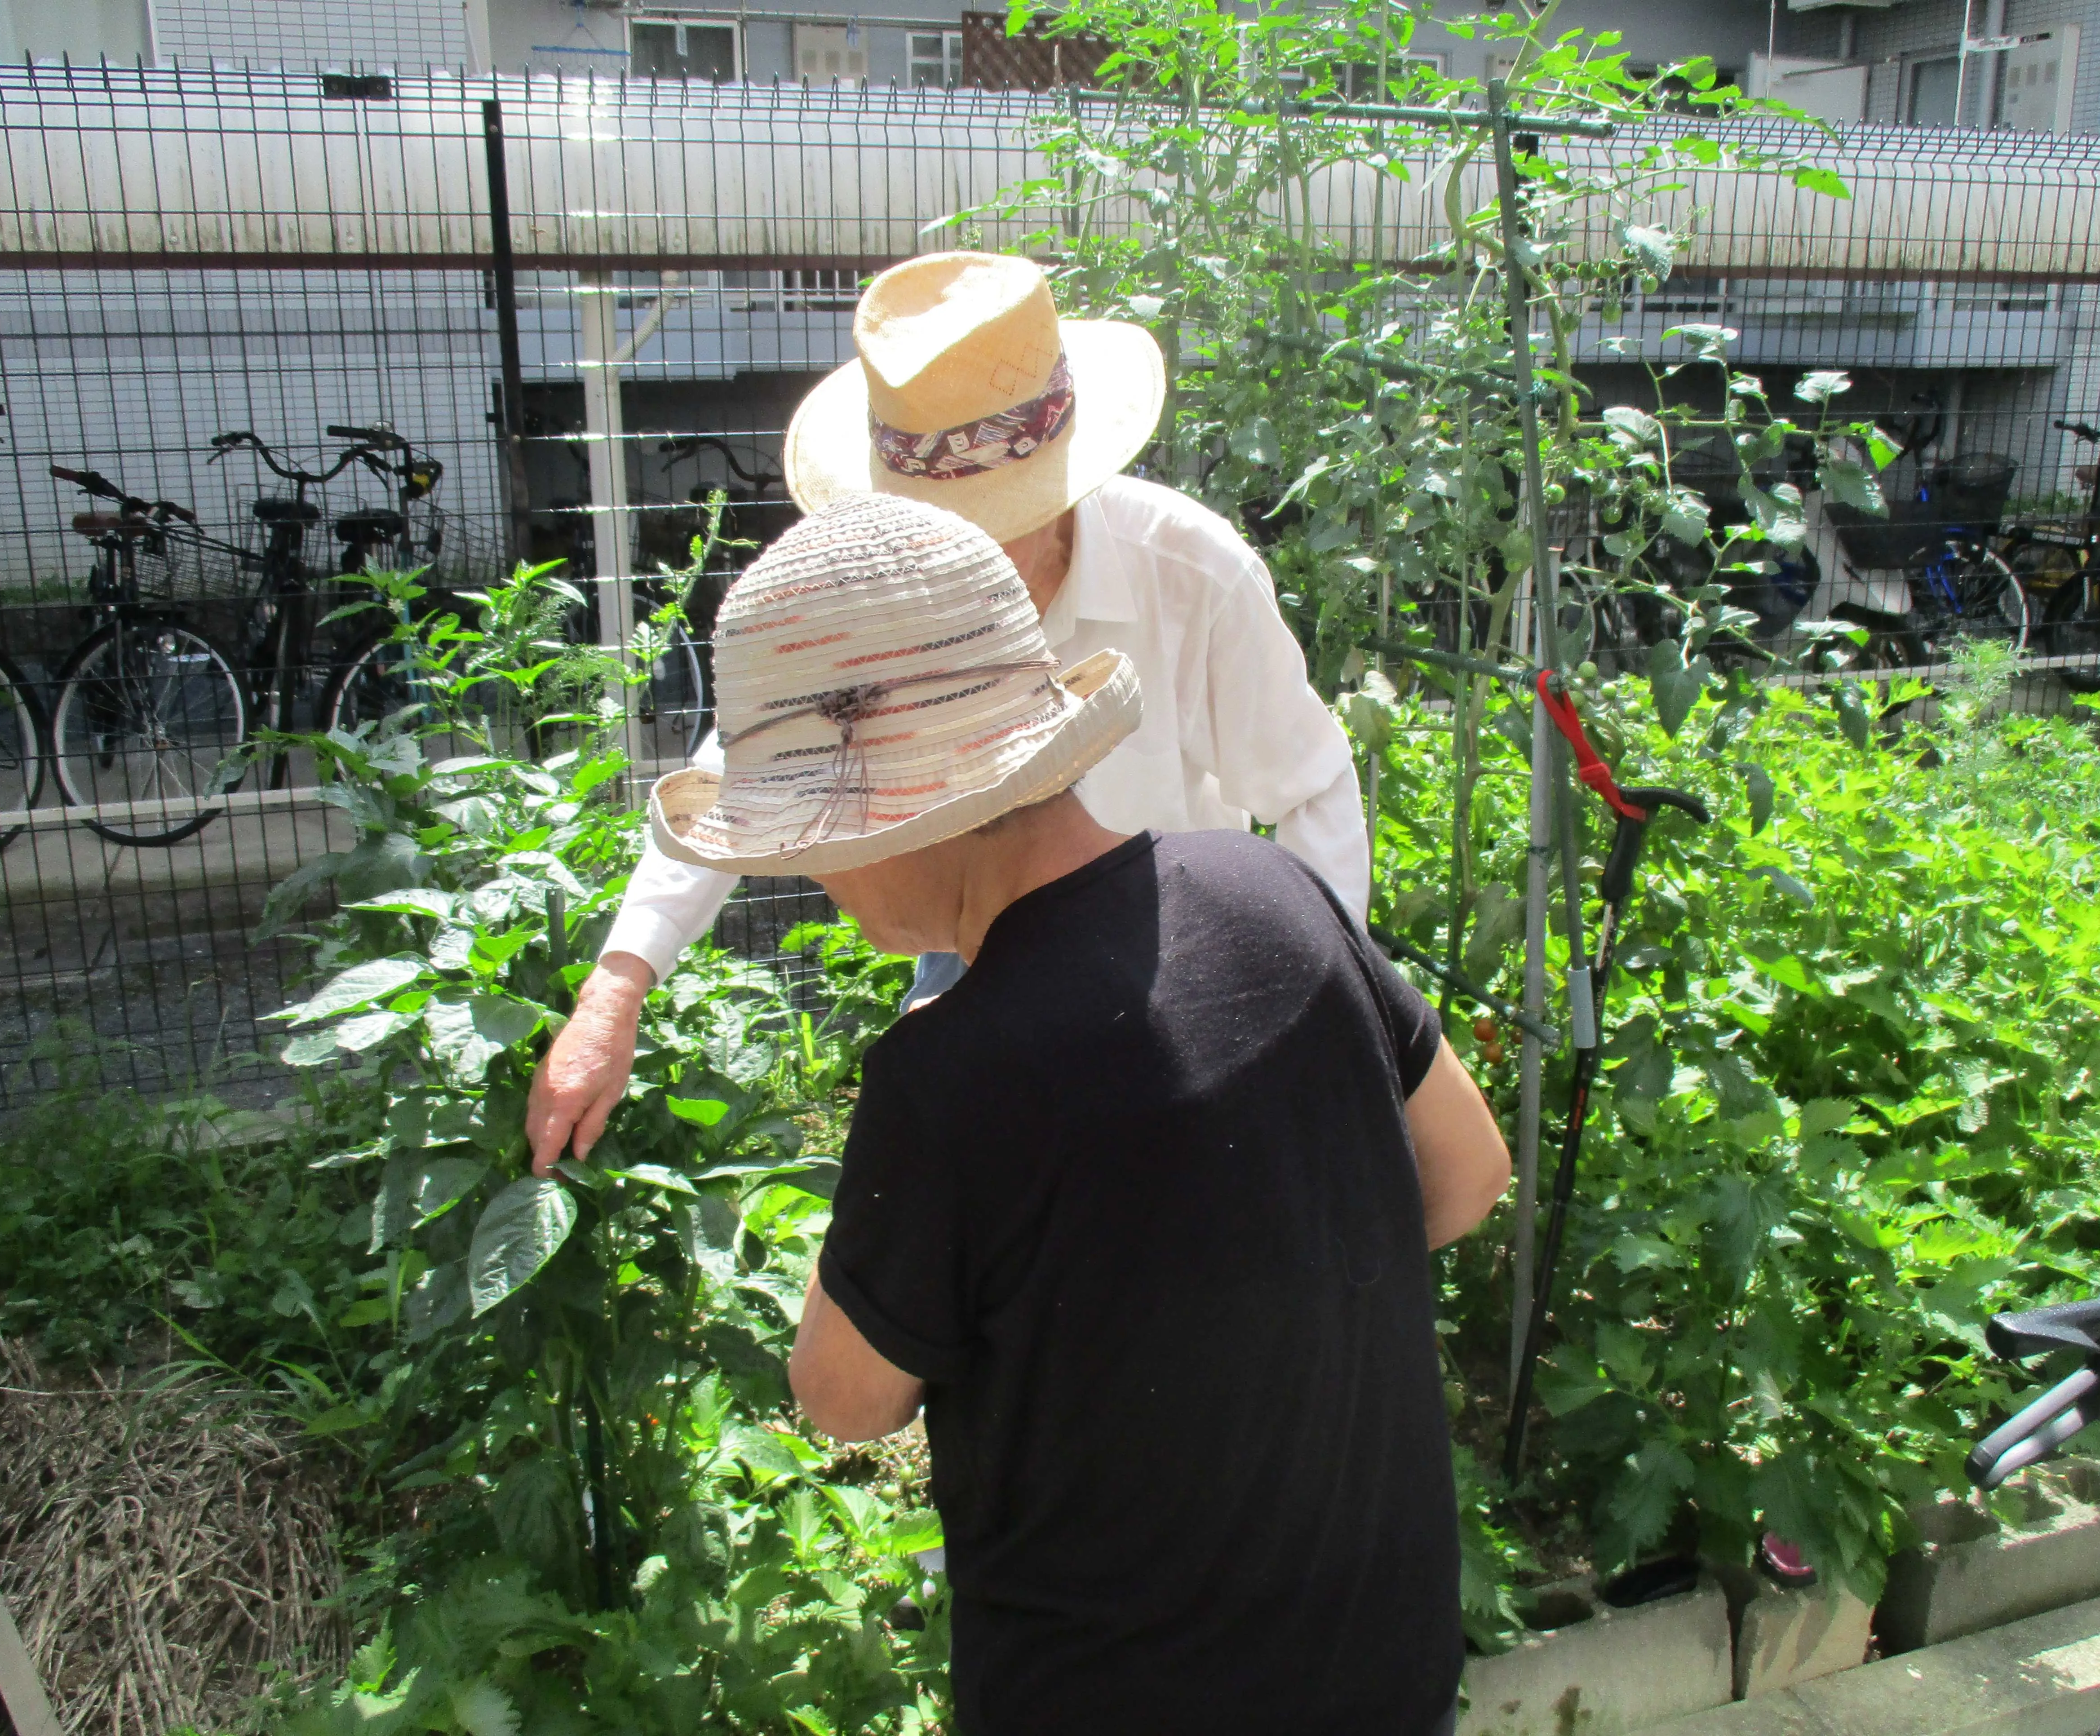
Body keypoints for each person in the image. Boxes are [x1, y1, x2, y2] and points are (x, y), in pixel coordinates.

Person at [639, 492, 1509, 1735]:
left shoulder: (952, 1079)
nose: (818, 887)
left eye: (809, 843)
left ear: (892, 813)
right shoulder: (1278, 895)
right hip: (1386, 1674)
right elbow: (1469, 1171)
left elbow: (844, 1396)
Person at [527, 249, 1366, 1174]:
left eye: (989, 517)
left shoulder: (1191, 573)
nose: (953, 552)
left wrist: (1313, 1015)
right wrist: (618, 984)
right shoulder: (875, 575)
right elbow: (756, 760)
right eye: (937, 519)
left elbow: (1310, 783)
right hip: (965, 956)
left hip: (1179, 967)